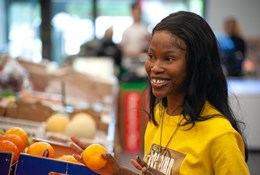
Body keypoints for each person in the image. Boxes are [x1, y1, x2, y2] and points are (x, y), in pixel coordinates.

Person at [70, 11, 250, 175]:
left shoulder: (220, 135)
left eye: (169, 58)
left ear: (197, 65)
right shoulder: (159, 115)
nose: (155, 68)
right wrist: (117, 171)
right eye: (151, 56)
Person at [120, 2, 150, 77]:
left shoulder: (145, 30)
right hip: (129, 64)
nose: (137, 14)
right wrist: (136, 54)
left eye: (139, 12)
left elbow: (149, 45)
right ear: (132, 12)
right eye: (135, 12)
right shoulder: (127, 31)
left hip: (142, 63)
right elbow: (123, 49)